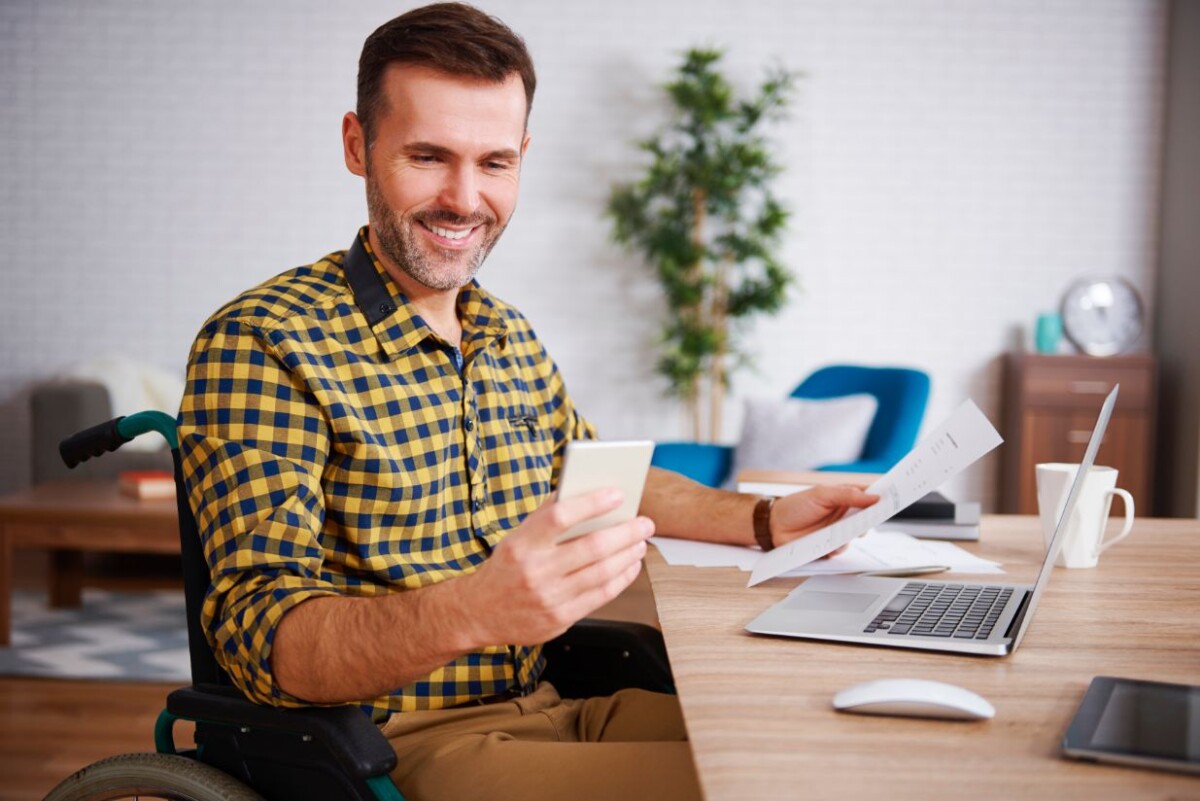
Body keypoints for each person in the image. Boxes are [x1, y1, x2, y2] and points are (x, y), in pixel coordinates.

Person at [178, 4, 878, 799]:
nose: (463, 198)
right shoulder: (268, 340)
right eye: (428, 156)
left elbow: (604, 483)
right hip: (391, 749)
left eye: (495, 163)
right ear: (356, 145)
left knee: (828, 739)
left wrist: (763, 519)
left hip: (553, 705)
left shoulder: (506, 333)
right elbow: (266, 644)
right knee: (771, 785)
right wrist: (472, 610)